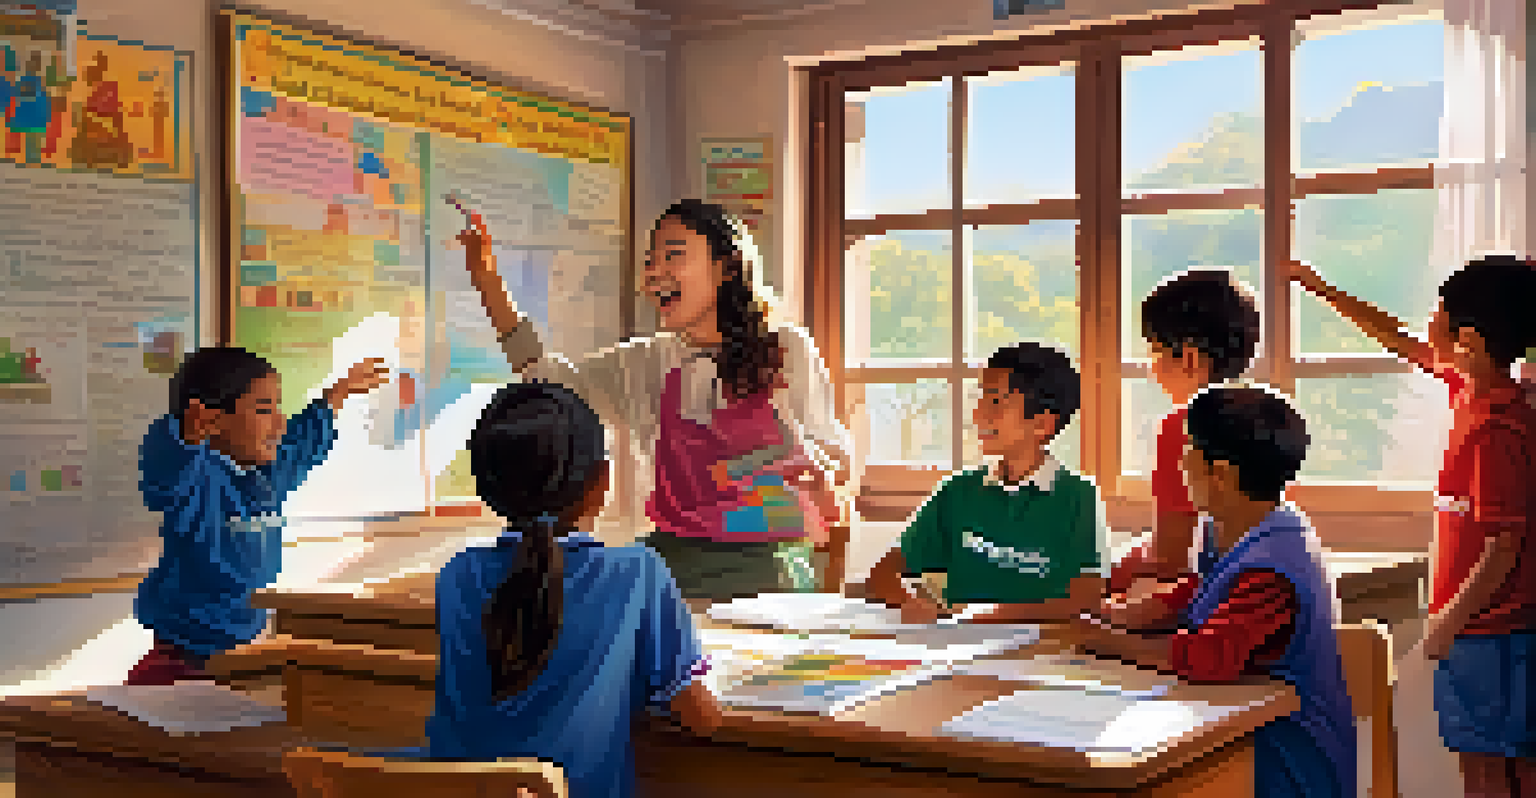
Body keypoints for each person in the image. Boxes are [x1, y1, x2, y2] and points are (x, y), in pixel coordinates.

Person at [461, 199, 851, 604]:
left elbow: (831, 450)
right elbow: (551, 381)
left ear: (727, 267)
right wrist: (489, 283)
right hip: (672, 564)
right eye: (650, 261)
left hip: (771, 568)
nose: (655, 272)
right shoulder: (645, 361)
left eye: (674, 255)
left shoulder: (786, 349)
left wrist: (821, 472)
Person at [1292, 255, 1536, 797]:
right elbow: (1397, 338)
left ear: (1467, 338)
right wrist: (1322, 288)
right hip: (1488, 630)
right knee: (1503, 764)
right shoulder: (1470, 388)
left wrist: (1448, 623)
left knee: (1489, 770)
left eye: (1439, 313)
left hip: (1489, 631)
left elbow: (1503, 545)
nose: (1429, 322)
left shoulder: (1497, 427)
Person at [425, 381, 722, 798]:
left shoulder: (457, 576)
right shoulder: (636, 573)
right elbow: (701, 718)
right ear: (603, 481)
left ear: (489, 489)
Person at [1071, 386, 1356, 798]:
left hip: (1283, 767)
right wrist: (1119, 614)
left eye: (1188, 450)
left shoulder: (1274, 564)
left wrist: (1108, 643)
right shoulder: (1234, 528)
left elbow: (1209, 656)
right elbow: (1202, 592)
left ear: (1219, 474)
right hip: (1236, 743)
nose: (1180, 462)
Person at [128, 347, 388, 685]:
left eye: (277, 408)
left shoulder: (265, 473)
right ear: (212, 420)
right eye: (263, 410)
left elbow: (299, 445)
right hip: (187, 654)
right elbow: (166, 471)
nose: (279, 423)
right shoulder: (198, 476)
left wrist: (333, 398)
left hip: (246, 647)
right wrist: (184, 437)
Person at [865, 342, 1108, 624]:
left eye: (995, 402)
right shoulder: (957, 492)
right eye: (980, 399)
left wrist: (981, 615)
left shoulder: (1078, 497)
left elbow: (1084, 601)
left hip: (1044, 654)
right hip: (959, 649)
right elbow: (883, 574)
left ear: (1042, 424)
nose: (978, 415)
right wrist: (914, 604)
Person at [1106, 269, 1261, 628]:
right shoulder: (1263, 419)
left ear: (1189, 358)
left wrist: (1111, 574)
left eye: (1154, 351)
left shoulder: (1183, 428)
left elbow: (1172, 557)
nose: (1150, 366)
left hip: (1209, 612)